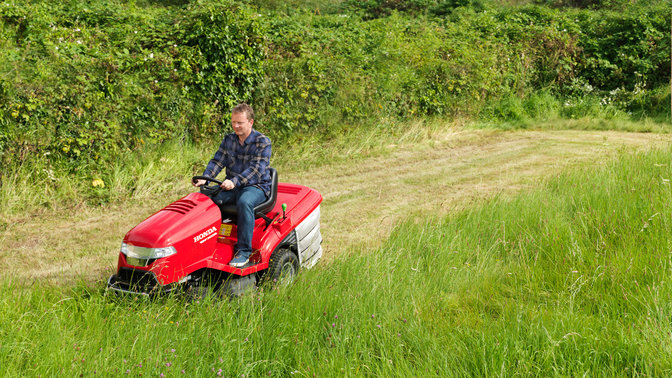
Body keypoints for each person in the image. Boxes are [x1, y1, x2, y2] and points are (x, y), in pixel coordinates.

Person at [193, 103, 272, 267]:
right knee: (203, 198)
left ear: (250, 122)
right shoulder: (229, 139)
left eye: (240, 123)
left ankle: (243, 251)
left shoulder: (262, 142)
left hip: (256, 187)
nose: (235, 126)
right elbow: (218, 161)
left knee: (244, 201)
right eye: (233, 122)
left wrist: (235, 181)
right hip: (232, 185)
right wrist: (206, 178)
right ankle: (201, 243)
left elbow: (256, 170)